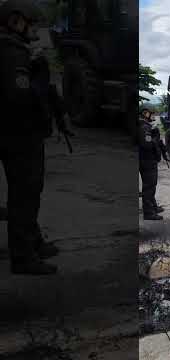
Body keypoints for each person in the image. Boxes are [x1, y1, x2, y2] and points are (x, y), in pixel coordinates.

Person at [0, 0, 57, 274]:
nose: (33, 29)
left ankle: (33, 241)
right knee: (24, 195)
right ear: (14, 21)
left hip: (19, 133)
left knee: (29, 192)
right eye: (29, 23)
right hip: (19, 134)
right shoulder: (11, 54)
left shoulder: (15, 51)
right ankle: (23, 257)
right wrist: (38, 74)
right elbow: (19, 97)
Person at [139, 109, 167, 220]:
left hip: (148, 160)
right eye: (152, 114)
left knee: (151, 186)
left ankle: (153, 207)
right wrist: (155, 137)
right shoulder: (144, 127)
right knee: (149, 187)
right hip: (147, 161)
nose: (154, 116)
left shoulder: (146, 126)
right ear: (146, 114)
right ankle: (149, 213)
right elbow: (147, 143)